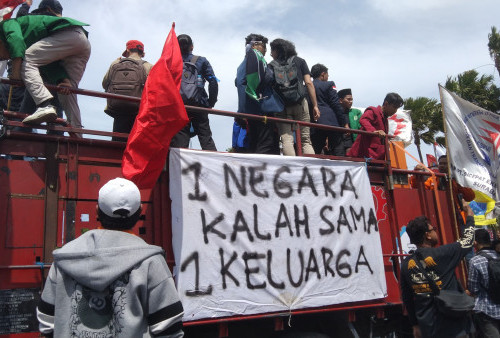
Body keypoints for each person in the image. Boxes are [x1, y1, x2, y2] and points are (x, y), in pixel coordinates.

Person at [36, 177, 184, 337]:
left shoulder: (65, 258)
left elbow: (47, 322)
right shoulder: (151, 262)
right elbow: (169, 328)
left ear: (96, 210)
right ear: (140, 211)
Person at [0, 15, 91, 132]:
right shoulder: (37, 45)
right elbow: (50, 65)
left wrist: (15, 74)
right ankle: (78, 137)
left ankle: (44, 105)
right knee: (68, 94)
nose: (4, 58)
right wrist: (62, 79)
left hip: (67, 34)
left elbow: (16, 40)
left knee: (26, 58)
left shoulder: (6, 25)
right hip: (81, 41)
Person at [400, 206, 475, 338]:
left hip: (428, 328)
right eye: (433, 229)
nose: (435, 232)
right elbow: (468, 241)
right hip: (454, 326)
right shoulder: (443, 254)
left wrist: (415, 325)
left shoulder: (406, 265)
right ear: (427, 235)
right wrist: (469, 215)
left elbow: (407, 298)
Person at [268, 38, 320, 156]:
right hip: (300, 104)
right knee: (305, 140)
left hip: (281, 107)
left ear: (278, 50)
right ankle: (309, 170)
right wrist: (315, 105)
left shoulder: (271, 66)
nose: (271, 53)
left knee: (286, 140)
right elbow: (309, 83)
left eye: (272, 50)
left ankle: (292, 171)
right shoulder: (300, 61)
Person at [234, 33, 279, 155]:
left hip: (252, 110)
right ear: (255, 45)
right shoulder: (255, 61)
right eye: (264, 46)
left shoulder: (245, 63)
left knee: (255, 142)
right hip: (260, 110)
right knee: (265, 144)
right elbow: (243, 83)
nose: (265, 50)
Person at [170, 34, 217, 151]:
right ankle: (214, 166)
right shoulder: (201, 61)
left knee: (180, 141)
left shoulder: (171, 62)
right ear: (192, 46)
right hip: (199, 105)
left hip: (178, 106)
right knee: (206, 138)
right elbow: (213, 82)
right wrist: (211, 102)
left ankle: (179, 167)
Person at [102, 40, 152, 141]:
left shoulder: (115, 63)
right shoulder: (148, 66)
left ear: (128, 50)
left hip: (118, 109)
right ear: (142, 53)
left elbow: (104, 84)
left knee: (118, 144)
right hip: (138, 112)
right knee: (135, 144)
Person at [347, 92, 403, 160]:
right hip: (363, 156)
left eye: (397, 108)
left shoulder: (385, 120)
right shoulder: (373, 111)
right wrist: (374, 131)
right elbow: (363, 120)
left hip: (376, 157)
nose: (395, 111)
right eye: (394, 107)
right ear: (386, 104)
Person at [309, 63, 347, 155]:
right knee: (338, 150)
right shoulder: (329, 84)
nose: (328, 77)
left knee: (315, 150)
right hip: (331, 122)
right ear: (323, 74)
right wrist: (344, 123)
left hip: (314, 122)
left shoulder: (309, 86)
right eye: (327, 75)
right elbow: (336, 104)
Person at [468, 228, 500, 337]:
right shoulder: (498, 256)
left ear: (475, 243)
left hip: (487, 310)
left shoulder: (475, 261)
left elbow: (474, 289)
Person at [338, 88, 362, 154]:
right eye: (348, 99)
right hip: (338, 142)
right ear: (340, 100)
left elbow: (361, 126)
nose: (351, 101)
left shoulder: (356, 112)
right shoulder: (335, 112)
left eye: (351, 99)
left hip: (352, 143)